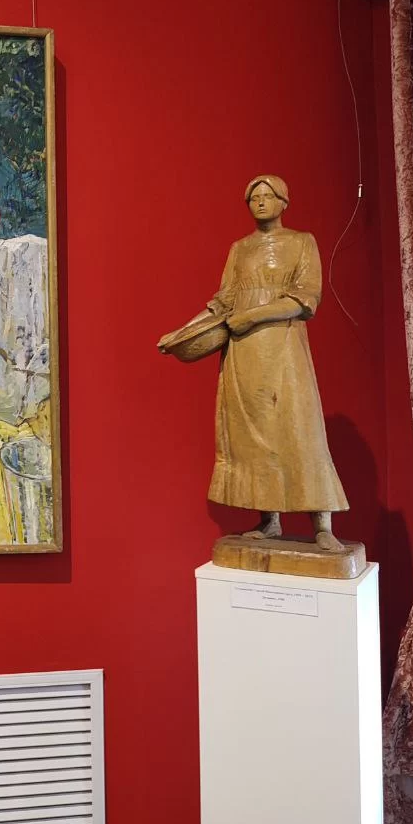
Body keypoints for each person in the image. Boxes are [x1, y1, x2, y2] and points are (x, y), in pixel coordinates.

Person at [157, 174, 348, 549]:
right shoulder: (240, 249)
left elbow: (305, 298)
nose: (260, 202)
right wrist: (181, 332)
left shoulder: (301, 242)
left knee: (299, 431)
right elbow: (221, 303)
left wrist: (252, 316)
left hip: (283, 349)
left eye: (267, 195)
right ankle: (269, 520)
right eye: (254, 197)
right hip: (243, 355)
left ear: (283, 202)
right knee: (253, 439)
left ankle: (322, 525)